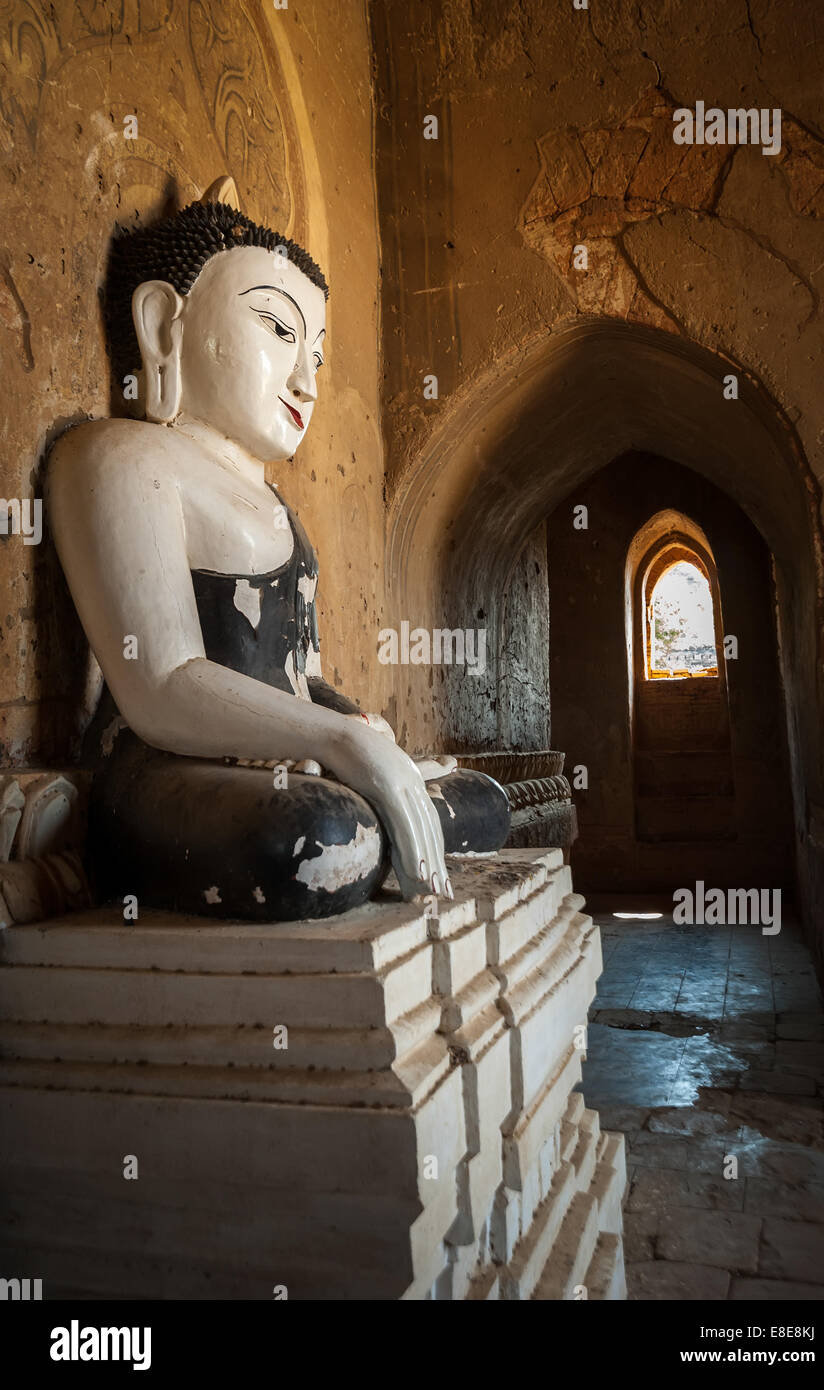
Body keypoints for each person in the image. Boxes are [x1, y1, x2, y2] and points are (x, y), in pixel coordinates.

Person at [48, 193, 509, 921]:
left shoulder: (279, 510)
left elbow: (305, 678)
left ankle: (371, 808)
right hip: (170, 766)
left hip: (284, 758)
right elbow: (161, 683)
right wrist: (339, 743)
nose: (307, 380)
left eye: (317, 353)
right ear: (163, 323)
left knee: (480, 802)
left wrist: (359, 733)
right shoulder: (120, 458)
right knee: (323, 837)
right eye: (276, 328)